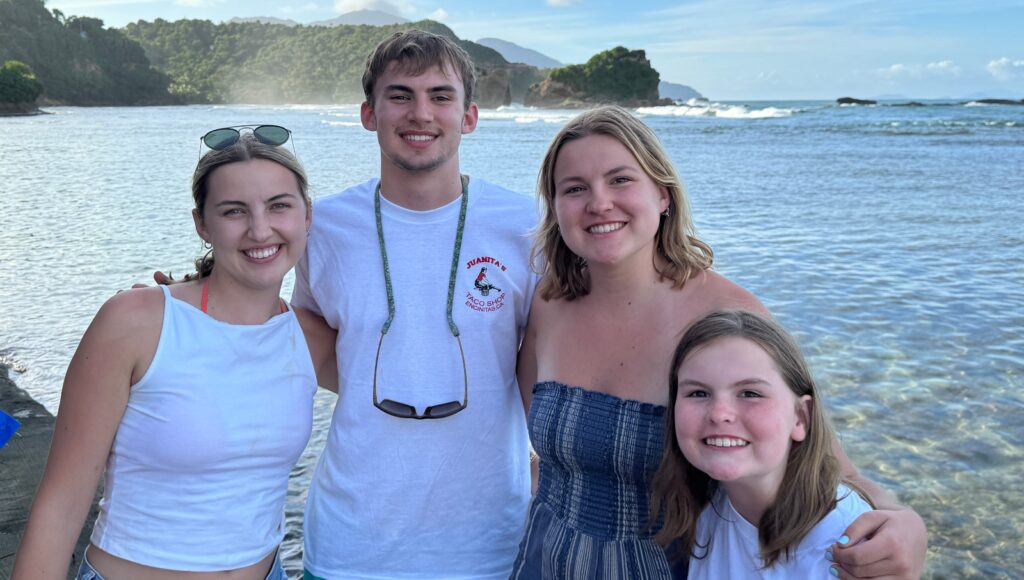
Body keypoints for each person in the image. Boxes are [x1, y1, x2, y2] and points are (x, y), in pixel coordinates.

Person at [512, 106, 926, 579]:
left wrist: (904, 522)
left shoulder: (729, 316)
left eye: (621, 180)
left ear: (663, 195)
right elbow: (544, 458)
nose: (599, 202)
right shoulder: (548, 305)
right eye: (575, 188)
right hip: (545, 559)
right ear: (556, 206)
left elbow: (823, 466)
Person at [13, 128, 336, 580]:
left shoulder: (308, 338)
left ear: (307, 217)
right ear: (202, 223)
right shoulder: (136, 322)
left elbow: (414, 382)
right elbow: (62, 505)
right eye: (233, 211)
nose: (260, 229)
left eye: (279, 205)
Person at [291, 31, 537, 579]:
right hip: (351, 546)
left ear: (469, 116)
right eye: (400, 95)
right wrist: (186, 296)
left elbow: (558, 357)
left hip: (490, 548)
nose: (420, 113)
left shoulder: (527, 227)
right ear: (368, 113)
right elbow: (291, 322)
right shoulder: (321, 226)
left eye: (440, 96)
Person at [652, 310, 875, 578]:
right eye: (698, 392)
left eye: (750, 393)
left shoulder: (850, 546)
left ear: (801, 417)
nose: (719, 413)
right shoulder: (709, 505)